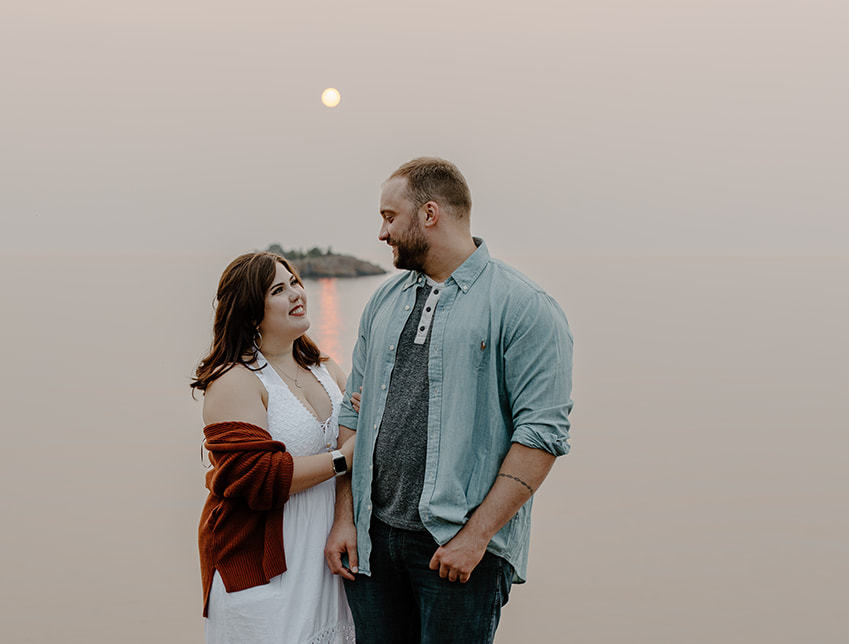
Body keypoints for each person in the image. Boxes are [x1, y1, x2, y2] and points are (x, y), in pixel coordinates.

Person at [323, 157, 574, 643]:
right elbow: (353, 413)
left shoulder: (524, 306)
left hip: (457, 553)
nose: (381, 232)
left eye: (390, 217)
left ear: (430, 214)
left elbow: (541, 436)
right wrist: (344, 520)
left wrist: (476, 538)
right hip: (373, 549)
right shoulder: (384, 301)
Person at [193, 252, 358, 644]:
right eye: (279, 290)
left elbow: (358, 429)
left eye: (295, 282)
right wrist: (342, 460)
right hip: (265, 565)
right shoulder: (235, 380)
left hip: (329, 552)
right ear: (252, 312)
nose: (297, 294)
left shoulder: (325, 368)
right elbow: (255, 477)